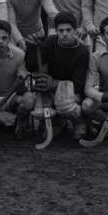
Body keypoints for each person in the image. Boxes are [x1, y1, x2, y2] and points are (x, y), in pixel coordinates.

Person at [32, 11, 90, 140]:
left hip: (72, 92)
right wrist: (33, 48)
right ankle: (57, 122)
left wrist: (54, 84)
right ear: (56, 31)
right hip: (50, 89)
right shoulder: (50, 42)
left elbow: (78, 85)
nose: (64, 34)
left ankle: (79, 122)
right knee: (39, 110)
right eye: (61, 30)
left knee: (64, 104)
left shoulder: (82, 51)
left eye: (68, 30)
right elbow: (35, 66)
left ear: (75, 30)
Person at [6, 0, 58, 72]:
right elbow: (11, 23)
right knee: (16, 70)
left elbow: (52, 12)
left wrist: (62, 25)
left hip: (37, 35)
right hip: (16, 37)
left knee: (39, 70)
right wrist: (20, 41)